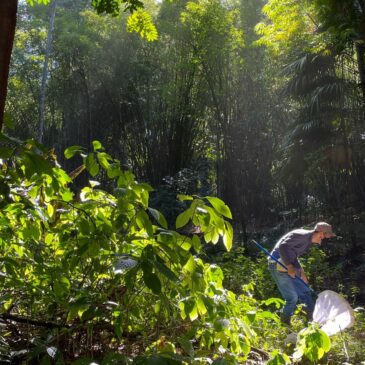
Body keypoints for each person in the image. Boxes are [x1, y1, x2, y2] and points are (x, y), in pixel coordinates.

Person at [268, 222, 336, 325]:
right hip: (276, 264)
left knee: (305, 290)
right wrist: (290, 267)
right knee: (292, 298)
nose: (322, 239)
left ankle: (313, 320)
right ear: (320, 233)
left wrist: (302, 273)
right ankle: (284, 323)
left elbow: (293, 255)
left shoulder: (308, 242)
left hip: (288, 263)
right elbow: (283, 246)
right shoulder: (302, 236)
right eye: (323, 237)